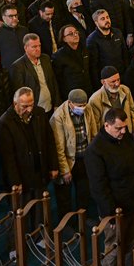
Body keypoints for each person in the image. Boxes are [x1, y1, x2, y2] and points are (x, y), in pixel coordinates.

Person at [86, 107, 134, 266]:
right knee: (113, 249)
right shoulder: (95, 150)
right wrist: (110, 213)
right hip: (114, 211)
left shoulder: (126, 138)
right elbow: (99, 187)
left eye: (125, 127)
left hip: (133, 203)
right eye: (118, 128)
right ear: (106, 125)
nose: (123, 131)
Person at [0, 86, 58, 200]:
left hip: (40, 173)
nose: (29, 110)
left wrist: (53, 165)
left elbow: (50, 141)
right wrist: (15, 181)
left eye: (31, 105)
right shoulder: (4, 123)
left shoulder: (39, 113)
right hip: (21, 178)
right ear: (15, 104)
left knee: (42, 209)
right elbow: (7, 158)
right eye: (24, 106)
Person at [50, 88, 92, 218]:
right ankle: (67, 222)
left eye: (85, 105)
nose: (83, 108)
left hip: (84, 157)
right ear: (70, 103)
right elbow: (59, 147)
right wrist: (65, 170)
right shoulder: (58, 117)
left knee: (84, 191)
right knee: (64, 195)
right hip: (68, 161)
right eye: (80, 106)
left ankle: (83, 217)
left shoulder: (88, 109)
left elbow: (93, 134)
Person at [86, 66, 134, 132]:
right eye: (113, 81)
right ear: (103, 82)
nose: (117, 84)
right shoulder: (95, 100)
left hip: (127, 133)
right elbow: (95, 125)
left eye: (118, 80)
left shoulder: (125, 90)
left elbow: (132, 112)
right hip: (109, 138)